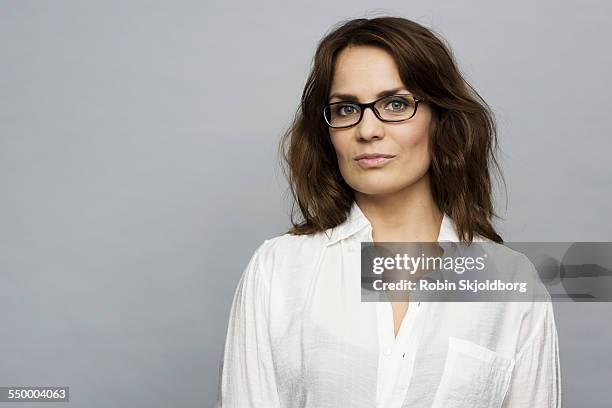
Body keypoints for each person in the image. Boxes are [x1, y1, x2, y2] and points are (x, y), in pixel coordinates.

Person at [215, 16, 561, 408]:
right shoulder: (279, 268)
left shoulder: (511, 281)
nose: (367, 130)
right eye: (346, 109)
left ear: (440, 118)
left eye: (395, 104)